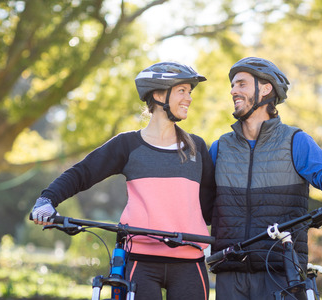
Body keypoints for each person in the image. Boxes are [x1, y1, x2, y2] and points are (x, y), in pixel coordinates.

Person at [31, 62, 216, 300]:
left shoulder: (197, 148)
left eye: (190, 92)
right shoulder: (128, 145)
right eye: (182, 91)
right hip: (141, 261)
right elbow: (82, 173)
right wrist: (47, 199)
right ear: (159, 94)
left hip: (189, 261)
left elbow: (212, 207)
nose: (189, 98)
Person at [208, 57, 322, 299]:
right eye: (232, 86)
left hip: (280, 271)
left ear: (266, 89)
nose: (233, 91)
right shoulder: (220, 148)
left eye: (241, 84)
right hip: (230, 272)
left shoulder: (294, 141)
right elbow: (199, 202)